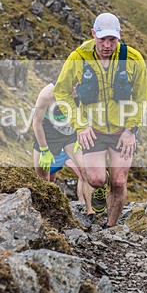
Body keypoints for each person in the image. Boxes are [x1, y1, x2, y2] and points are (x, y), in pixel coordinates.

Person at [54, 12, 147, 228]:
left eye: (112, 40)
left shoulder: (133, 59)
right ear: (93, 34)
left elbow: (141, 98)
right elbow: (62, 93)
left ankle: (111, 227)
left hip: (123, 130)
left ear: (119, 36)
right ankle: (99, 190)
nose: (107, 45)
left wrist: (131, 130)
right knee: (96, 180)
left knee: (119, 181)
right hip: (92, 129)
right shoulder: (77, 58)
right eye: (102, 39)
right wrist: (80, 125)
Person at [31, 82, 96, 221]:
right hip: (47, 134)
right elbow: (36, 123)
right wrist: (44, 149)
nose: (75, 92)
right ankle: (46, 213)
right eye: (73, 88)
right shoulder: (47, 94)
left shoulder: (84, 90)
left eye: (78, 88)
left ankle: (90, 210)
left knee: (85, 169)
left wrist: (81, 131)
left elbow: (89, 112)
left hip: (70, 135)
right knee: (43, 178)